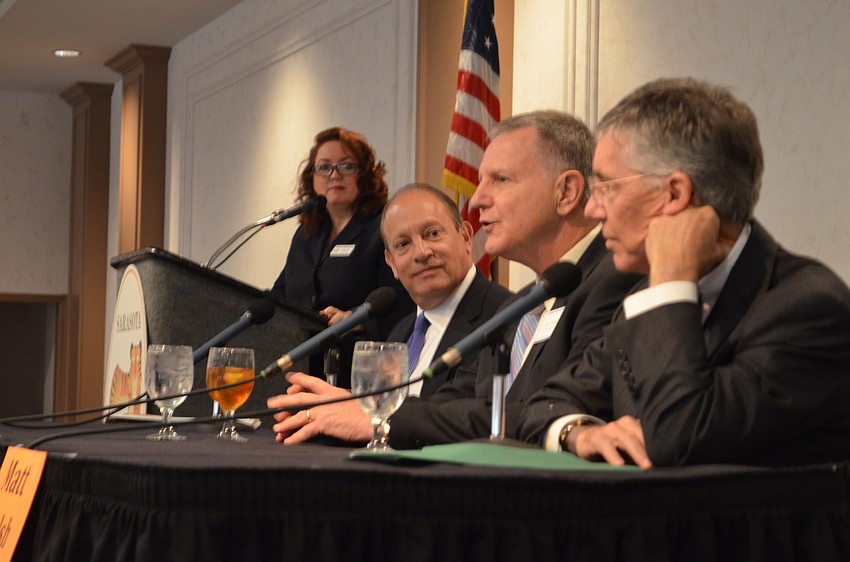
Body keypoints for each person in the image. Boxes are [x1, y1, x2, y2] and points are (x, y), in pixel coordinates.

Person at [518, 77, 850, 468]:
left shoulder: (808, 309)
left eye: (607, 187)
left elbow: (681, 440)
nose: (592, 210)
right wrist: (579, 431)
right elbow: (543, 403)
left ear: (674, 194)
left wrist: (671, 285)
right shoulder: (644, 296)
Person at [269, 111, 641, 448]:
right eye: (482, 181)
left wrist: (373, 416)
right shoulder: (524, 303)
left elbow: (540, 410)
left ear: (567, 192)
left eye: (500, 179)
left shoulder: (615, 281)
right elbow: (474, 407)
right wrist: (356, 408)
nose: (477, 200)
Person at [267, 183, 512, 444]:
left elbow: (465, 416)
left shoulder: (505, 317)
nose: (422, 252)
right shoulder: (403, 330)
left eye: (432, 233)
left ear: (465, 237)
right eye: (403, 244)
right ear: (392, 263)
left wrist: (355, 410)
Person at [270, 127, 414, 387]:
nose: (334, 175)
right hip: (300, 370)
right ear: (312, 177)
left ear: (365, 174)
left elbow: (405, 296)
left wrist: (357, 318)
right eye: (324, 167)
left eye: (346, 166)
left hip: (358, 374)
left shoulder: (383, 226)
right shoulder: (306, 234)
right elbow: (280, 296)